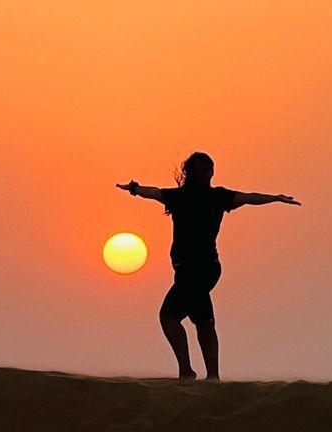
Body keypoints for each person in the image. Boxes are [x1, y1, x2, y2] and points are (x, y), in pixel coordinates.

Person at [116, 152, 300, 381]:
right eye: (197, 170)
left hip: (203, 269)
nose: (203, 174)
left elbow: (248, 197)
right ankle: (209, 375)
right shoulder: (178, 196)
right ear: (189, 172)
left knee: (170, 317)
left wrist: (275, 198)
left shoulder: (218, 197)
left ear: (212, 172)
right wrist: (134, 188)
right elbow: (153, 192)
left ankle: (190, 372)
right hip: (185, 271)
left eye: (207, 170)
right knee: (201, 321)